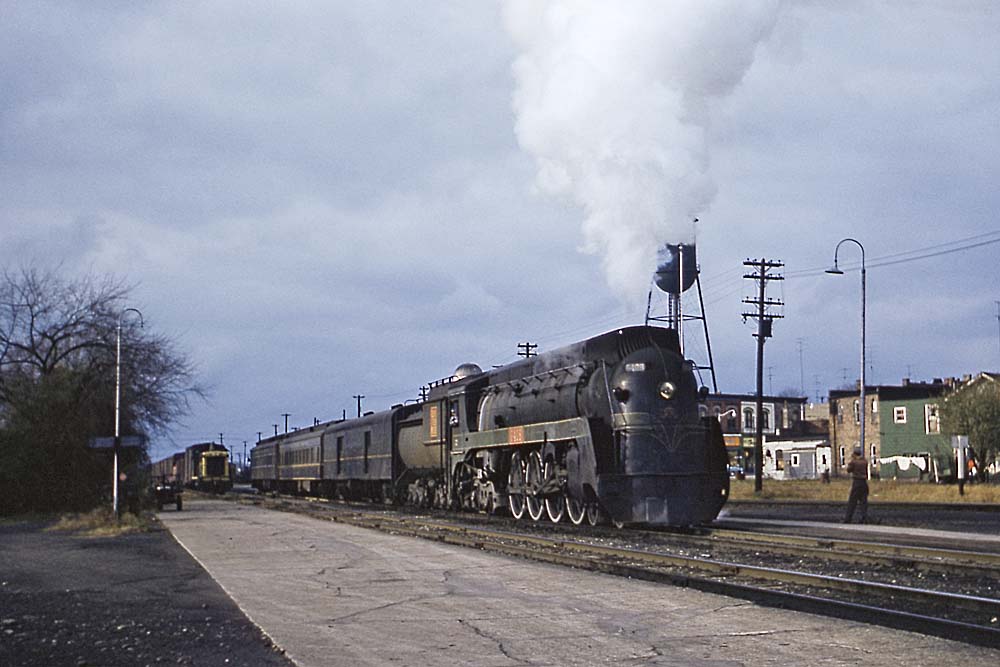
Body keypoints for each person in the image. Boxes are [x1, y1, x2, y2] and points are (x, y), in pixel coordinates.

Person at [843, 446, 869, 524]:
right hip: (864, 483)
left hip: (857, 482)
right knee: (863, 502)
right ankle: (864, 518)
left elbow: (849, 470)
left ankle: (848, 519)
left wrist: (851, 461)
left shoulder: (853, 462)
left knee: (852, 502)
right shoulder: (865, 461)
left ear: (854, 453)